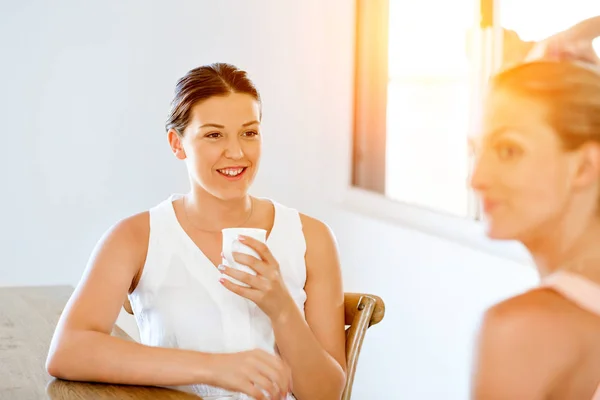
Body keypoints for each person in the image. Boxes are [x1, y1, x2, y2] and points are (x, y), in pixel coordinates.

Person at [45, 63, 346, 400]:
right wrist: (215, 367)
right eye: (213, 134)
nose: (236, 152)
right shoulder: (136, 238)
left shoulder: (311, 238)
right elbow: (68, 351)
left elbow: (327, 394)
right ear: (177, 144)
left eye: (249, 132)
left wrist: (281, 307)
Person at [469, 18, 600, 400]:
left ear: (585, 167)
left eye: (508, 150)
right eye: (476, 151)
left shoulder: (521, 330)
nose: (476, 179)